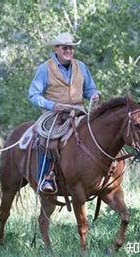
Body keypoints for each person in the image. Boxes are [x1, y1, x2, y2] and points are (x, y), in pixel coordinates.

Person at [28, 32, 99, 194]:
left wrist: (94, 94)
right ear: (57, 49)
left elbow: (90, 89)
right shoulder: (44, 69)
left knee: (97, 132)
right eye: (65, 48)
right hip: (54, 115)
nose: (69, 51)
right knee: (48, 138)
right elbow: (33, 95)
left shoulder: (81, 66)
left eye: (71, 48)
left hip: (79, 112)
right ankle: (46, 176)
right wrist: (52, 105)